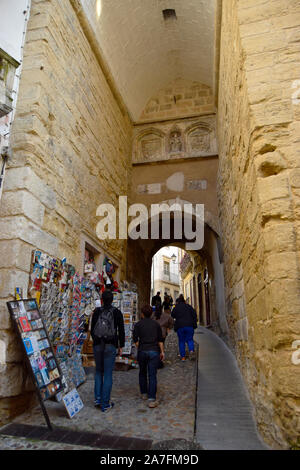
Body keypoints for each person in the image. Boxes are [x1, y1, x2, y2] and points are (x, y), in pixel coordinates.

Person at [90, 289, 125, 412]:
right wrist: (121, 346)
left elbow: (92, 329)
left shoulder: (96, 312)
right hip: (110, 345)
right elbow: (121, 330)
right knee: (108, 373)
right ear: (113, 300)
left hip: (98, 345)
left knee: (98, 372)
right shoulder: (117, 313)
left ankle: (98, 399)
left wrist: (96, 340)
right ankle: (105, 404)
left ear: (102, 300)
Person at [133, 304, 165, 408]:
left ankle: (144, 393)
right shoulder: (156, 325)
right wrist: (162, 352)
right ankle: (152, 398)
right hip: (154, 351)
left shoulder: (138, 325)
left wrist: (140, 347)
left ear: (142, 314)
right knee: (152, 375)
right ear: (151, 314)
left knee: (142, 372)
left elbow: (135, 340)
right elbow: (160, 340)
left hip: (142, 350)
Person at [171, 294, 197, 361]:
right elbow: (194, 314)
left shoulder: (176, 307)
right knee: (190, 339)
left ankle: (183, 357)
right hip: (189, 326)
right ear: (184, 301)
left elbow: (172, 315)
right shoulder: (189, 306)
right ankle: (191, 351)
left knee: (181, 341)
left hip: (180, 326)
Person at [152, 303, 174, 368]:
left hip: (153, 333)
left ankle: (155, 360)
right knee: (161, 347)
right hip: (162, 334)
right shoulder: (166, 316)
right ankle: (159, 361)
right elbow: (172, 322)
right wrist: (168, 327)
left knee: (154, 347)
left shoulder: (152, 315)